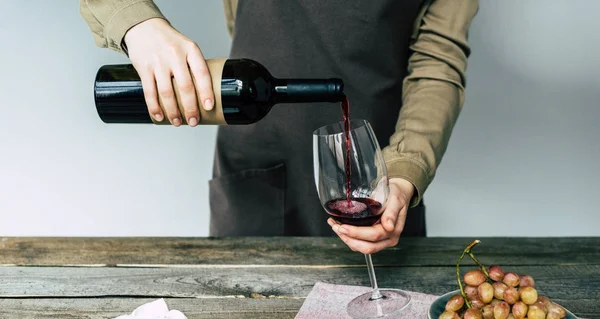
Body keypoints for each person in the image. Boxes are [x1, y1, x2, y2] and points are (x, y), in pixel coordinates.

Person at [80, 0, 479, 253]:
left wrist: (407, 170)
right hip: (256, 177)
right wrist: (139, 25)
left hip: (379, 180)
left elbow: (437, 60)